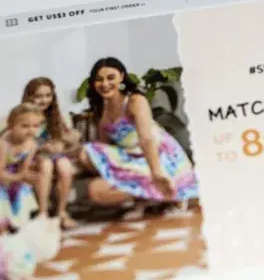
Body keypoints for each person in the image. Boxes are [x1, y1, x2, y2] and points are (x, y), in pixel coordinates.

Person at [78, 57, 198, 217]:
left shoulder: (135, 101)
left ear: (121, 77)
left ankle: (171, 190)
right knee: (94, 185)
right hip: (131, 158)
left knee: (88, 157)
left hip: (157, 156)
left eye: (110, 77)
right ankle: (148, 195)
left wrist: (156, 173)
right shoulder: (101, 109)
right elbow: (103, 151)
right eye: (99, 79)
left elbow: (147, 139)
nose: (105, 84)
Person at [0, 103, 49, 234]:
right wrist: (20, 177)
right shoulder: (3, 144)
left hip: (9, 168)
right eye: (25, 126)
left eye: (35, 126)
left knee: (22, 188)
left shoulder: (32, 144)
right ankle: (1, 230)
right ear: (11, 125)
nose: (31, 130)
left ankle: (17, 223)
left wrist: (28, 177)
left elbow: (23, 169)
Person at [22, 77, 80, 229]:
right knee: (46, 165)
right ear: (29, 97)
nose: (44, 100)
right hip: (32, 156)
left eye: (48, 95)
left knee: (65, 166)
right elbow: (22, 142)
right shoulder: (23, 116)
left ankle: (62, 212)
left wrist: (60, 143)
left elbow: (66, 136)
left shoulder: (54, 115)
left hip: (51, 154)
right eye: (39, 96)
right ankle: (43, 214)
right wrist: (42, 147)